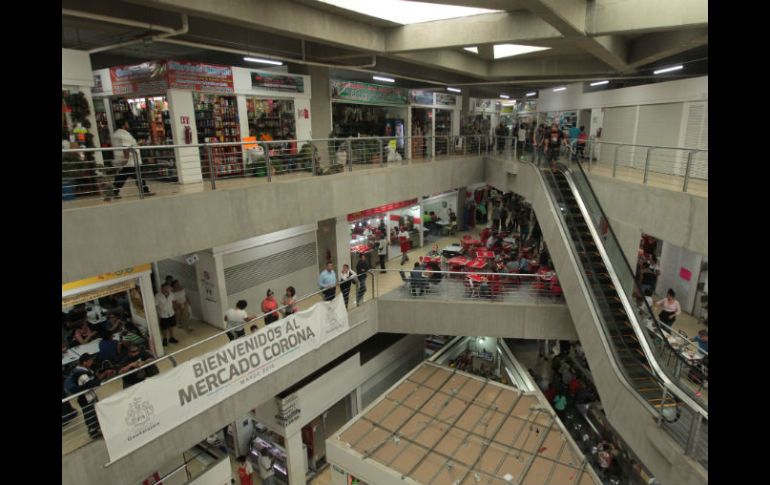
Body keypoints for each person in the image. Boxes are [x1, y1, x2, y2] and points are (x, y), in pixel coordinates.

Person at [69, 353, 113, 438]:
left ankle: (96, 429)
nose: (92, 362)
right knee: (90, 414)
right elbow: (90, 384)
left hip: (90, 396)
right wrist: (103, 376)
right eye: (90, 361)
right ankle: (93, 432)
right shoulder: (80, 373)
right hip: (86, 399)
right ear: (84, 362)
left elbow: (91, 380)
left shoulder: (82, 370)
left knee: (94, 413)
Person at [111, 120, 154, 198]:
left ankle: (113, 191)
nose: (128, 125)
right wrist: (126, 159)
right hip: (131, 161)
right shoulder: (123, 134)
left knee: (123, 176)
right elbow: (125, 147)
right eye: (127, 123)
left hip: (127, 161)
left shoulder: (117, 134)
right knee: (137, 176)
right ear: (123, 125)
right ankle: (144, 191)